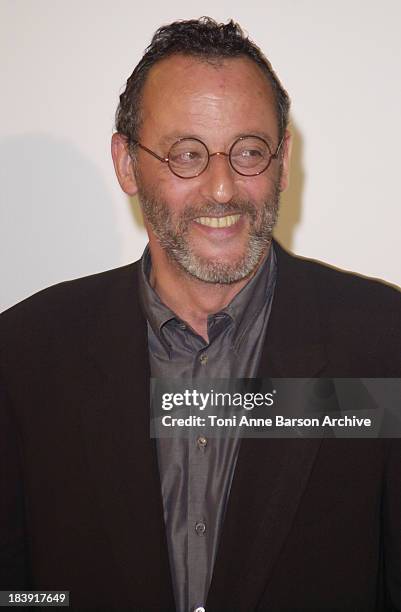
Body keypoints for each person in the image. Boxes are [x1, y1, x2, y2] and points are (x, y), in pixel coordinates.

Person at [0, 17, 400, 612]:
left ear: (283, 161)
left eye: (249, 152)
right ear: (128, 163)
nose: (221, 188)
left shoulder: (382, 342)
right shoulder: (26, 354)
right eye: (187, 154)